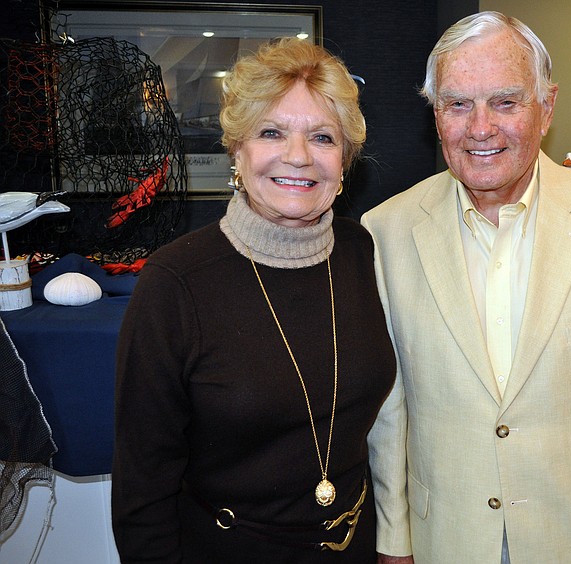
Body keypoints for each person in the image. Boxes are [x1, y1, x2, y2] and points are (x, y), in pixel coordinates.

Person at [363, 11, 571, 564]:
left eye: (506, 101)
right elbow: (390, 410)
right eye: (458, 103)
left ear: (547, 108)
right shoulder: (385, 232)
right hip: (448, 538)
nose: (480, 127)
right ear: (435, 113)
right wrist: (395, 540)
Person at [111, 38, 395, 563]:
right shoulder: (175, 283)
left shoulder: (364, 253)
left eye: (322, 137)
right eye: (271, 132)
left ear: (344, 160)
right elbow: (142, 488)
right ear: (237, 151)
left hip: (357, 545)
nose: (298, 156)